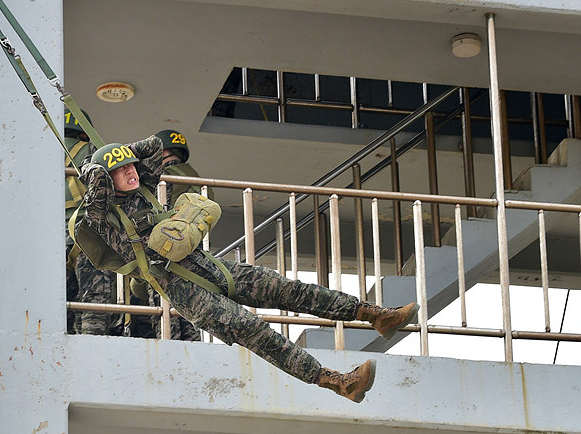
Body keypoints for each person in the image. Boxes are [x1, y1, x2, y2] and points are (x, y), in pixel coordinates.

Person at [75, 135, 419, 403]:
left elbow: (152, 147)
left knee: (285, 289)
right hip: (184, 288)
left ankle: (374, 314)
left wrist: (120, 153)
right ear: (107, 178)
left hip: (208, 266)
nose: (131, 171)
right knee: (256, 332)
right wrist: (97, 167)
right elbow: (98, 192)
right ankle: (337, 382)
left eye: (130, 166)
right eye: (121, 170)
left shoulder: (144, 189)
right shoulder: (102, 216)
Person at [129, 129, 208, 341]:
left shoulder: (161, 179)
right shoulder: (197, 179)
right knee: (193, 315)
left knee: (166, 317)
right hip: (195, 255)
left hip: (164, 254)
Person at [62, 108, 122, 335]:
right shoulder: (91, 151)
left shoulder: (42, 154)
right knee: (94, 298)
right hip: (88, 235)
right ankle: (91, 342)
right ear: (85, 132)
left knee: (60, 301)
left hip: (52, 241)